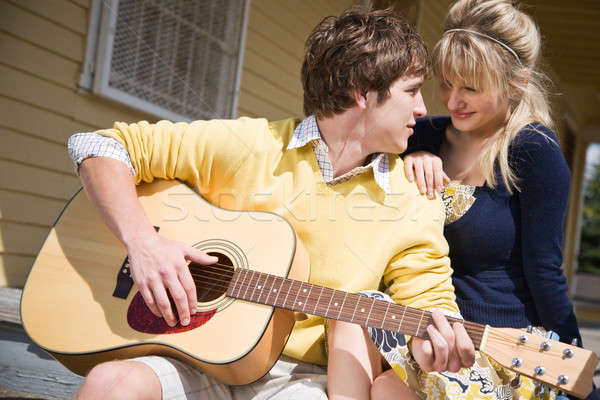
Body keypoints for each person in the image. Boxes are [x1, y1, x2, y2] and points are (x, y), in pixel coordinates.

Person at [66, 7, 476, 400]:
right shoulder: (253, 144)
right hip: (191, 356)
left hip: (297, 380)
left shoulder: (415, 197)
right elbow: (97, 145)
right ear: (362, 93)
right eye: (411, 91)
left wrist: (437, 347)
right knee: (110, 385)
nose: (423, 110)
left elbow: (430, 300)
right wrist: (143, 245)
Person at [336, 0, 598, 399]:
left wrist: (579, 375)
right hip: (425, 328)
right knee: (352, 314)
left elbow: (545, 271)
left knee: (389, 389)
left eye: (471, 88)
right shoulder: (419, 135)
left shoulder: (534, 152)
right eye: (446, 83)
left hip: (499, 343)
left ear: (517, 83)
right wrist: (411, 155)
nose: (452, 100)